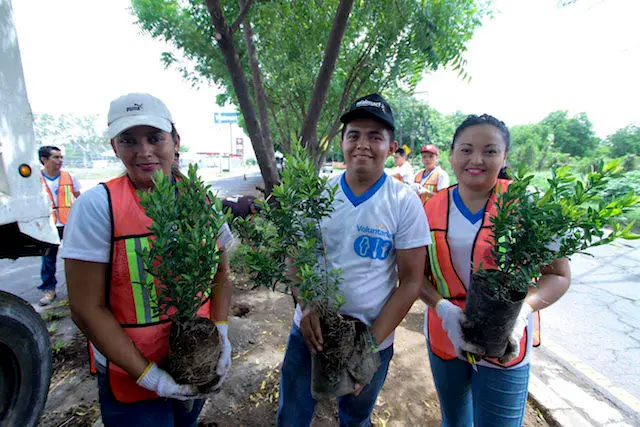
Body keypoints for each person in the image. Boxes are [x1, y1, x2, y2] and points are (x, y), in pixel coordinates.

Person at [61, 93, 233, 427]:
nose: (143, 152)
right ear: (114, 146)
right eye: (129, 140)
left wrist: (222, 334)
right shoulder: (98, 206)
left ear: (175, 141)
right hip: (130, 377)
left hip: (194, 364)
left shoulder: (201, 201)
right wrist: (149, 377)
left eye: (155, 138)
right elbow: (85, 308)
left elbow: (222, 275)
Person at [277, 93, 431, 426]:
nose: (363, 144)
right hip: (311, 332)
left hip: (372, 337)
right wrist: (306, 305)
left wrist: (369, 348)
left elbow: (411, 282)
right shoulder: (315, 195)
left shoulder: (404, 203)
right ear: (342, 142)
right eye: (354, 135)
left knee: (355, 418)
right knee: (292, 415)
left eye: (375, 136)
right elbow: (294, 254)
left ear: (391, 147)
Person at [420, 114, 571, 426]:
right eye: (466, 149)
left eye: (489, 151)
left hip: (505, 338)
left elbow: (558, 274)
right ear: (452, 155)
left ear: (504, 157)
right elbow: (413, 276)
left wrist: (523, 312)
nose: (476, 159)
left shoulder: (528, 205)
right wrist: (443, 309)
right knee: (455, 420)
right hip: (445, 331)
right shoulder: (429, 207)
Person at [38, 145, 82, 306]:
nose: (60, 160)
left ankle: (79, 288)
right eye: (55, 157)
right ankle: (49, 289)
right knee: (48, 258)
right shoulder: (36, 180)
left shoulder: (69, 177)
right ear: (44, 160)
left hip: (68, 223)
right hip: (48, 225)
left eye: (61, 157)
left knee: (77, 256)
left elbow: (79, 197)